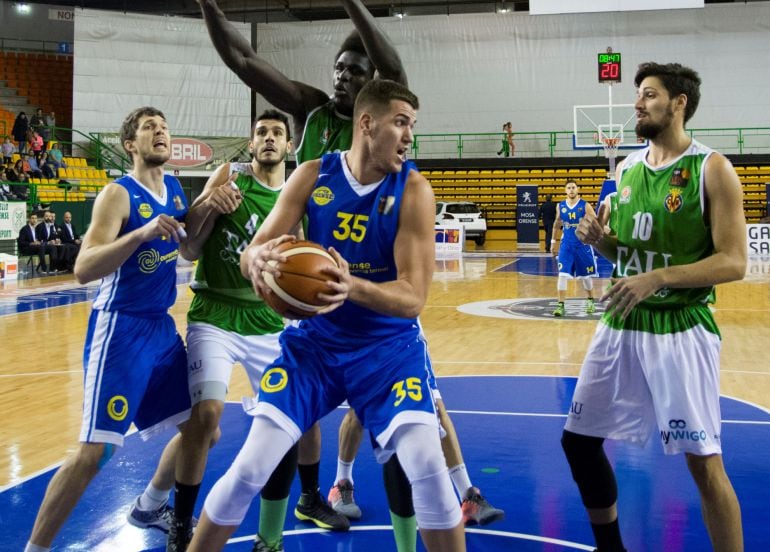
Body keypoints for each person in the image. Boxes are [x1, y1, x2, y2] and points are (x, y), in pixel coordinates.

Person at [179, 0, 502, 539]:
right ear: (365, 123)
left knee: (421, 453)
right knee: (258, 456)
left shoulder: (408, 176)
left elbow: (394, 73)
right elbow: (244, 62)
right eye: (338, 69)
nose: (342, 77)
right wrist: (208, 7)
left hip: (382, 325)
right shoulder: (311, 129)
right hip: (312, 322)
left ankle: (397, 495)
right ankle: (297, 510)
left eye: (354, 70)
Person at [185, 79, 466, 552]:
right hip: (314, 347)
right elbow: (255, 250)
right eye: (401, 123)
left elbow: (413, 298)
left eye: (412, 125)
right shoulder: (312, 174)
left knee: (429, 472)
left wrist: (348, 284)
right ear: (367, 124)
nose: (409, 137)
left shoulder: (414, 189)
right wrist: (254, 261)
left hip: (388, 352)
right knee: (250, 467)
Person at [563, 62, 747, 552]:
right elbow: (625, 254)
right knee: (578, 442)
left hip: (680, 328)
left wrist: (658, 278)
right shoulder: (625, 170)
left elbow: (734, 262)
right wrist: (601, 242)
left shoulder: (712, 169)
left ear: (678, 103)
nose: (637, 103)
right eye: (638, 95)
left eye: (648, 94)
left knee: (704, 464)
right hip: (622, 320)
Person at [24, 107, 196, 552]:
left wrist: (212, 201)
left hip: (160, 329)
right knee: (94, 452)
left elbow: (190, 247)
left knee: (202, 429)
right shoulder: (117, 195)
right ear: (130, 145)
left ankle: (151, 503)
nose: (160, 132)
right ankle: (35, 548)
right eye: (148, 128)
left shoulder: (175, 189)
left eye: (164, 126)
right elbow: (83, 268)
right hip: (120, 330)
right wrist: (137, 236)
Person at [166, 110, 303, 552]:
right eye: (261, 132)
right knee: (205, 418)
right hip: (215, 314)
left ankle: (271, 536)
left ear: (288, 147)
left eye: (276, 134)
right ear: (250, 144)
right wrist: (208, 204)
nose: (268, 138)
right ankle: (180, 523)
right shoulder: (229, 178)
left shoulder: (295, 192)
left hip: (266, 320)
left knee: (285, 422)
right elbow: (188, 247)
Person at [551, 179, 597, 317]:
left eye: (573, 187)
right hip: (567, 245)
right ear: (565, 190)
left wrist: (592, 235)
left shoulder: (585, 205)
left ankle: (590, 301)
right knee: (562, 274)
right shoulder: (560, 206)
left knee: (586, 276)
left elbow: (596, 222)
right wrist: (553, 241)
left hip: (582, 245)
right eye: (569, 188)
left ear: (578, 189)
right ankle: (560, 305)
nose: (571, 190)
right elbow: (557, 223)